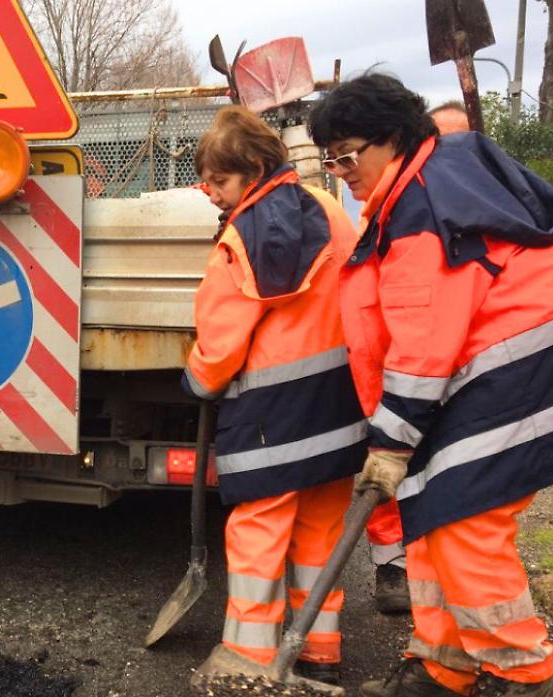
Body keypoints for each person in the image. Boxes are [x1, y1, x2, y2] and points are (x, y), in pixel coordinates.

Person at [309, 73, 553, 697]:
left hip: (520, 372)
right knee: (433, 514)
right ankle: (445, 665)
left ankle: (526, 675)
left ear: (392, 139)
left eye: (347, 154)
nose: (339, 169)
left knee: (465, 521)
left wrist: (390, 443)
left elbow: (422, 341)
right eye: (330, 158)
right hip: (491, 369)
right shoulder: (420, 187)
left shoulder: (422, 207)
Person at [184, 106, 367, 688]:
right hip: (339, 408)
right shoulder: (333, 211)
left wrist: (197, 379)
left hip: (268, 420)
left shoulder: (239, 240)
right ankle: (320, 650)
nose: (210, 193)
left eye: (220, 181)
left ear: (256, 168)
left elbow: (219, 343)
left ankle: (252, 660)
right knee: (320, 533)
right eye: (206, 180)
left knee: (258, 536)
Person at [365, 97, 475, 617]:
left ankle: (486, 660)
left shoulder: (455, 214)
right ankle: (396, 573)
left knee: (455, 523)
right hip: (402, 383)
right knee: (397, 490)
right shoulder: (399, 212)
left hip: (451, 391)